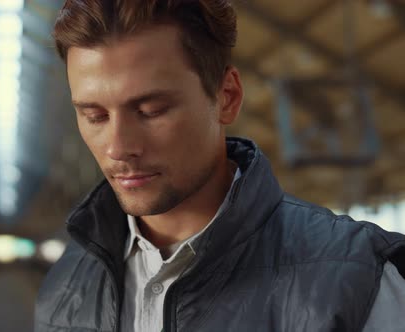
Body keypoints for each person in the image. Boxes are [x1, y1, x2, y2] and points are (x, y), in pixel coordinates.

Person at [35, 1, 405, 331]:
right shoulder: (65, 284)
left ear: (227, 97)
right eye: (95, 116)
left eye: (151, 111)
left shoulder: (358, 281)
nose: (118, 147)